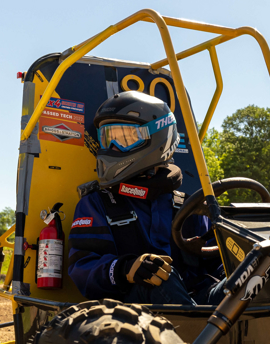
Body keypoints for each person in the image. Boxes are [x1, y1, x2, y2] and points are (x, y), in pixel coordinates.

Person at [66, 90, 223, 305]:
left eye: (124, 137)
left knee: (255, 273)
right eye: (108, 138)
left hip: (197, 305)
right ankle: (196, 336)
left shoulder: (189, 206)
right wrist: (126, 269)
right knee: (159, 278)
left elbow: (218, 265)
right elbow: (82, 267)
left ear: (157, 137)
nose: (113, 148)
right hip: (130, 315)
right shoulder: (97, 204)